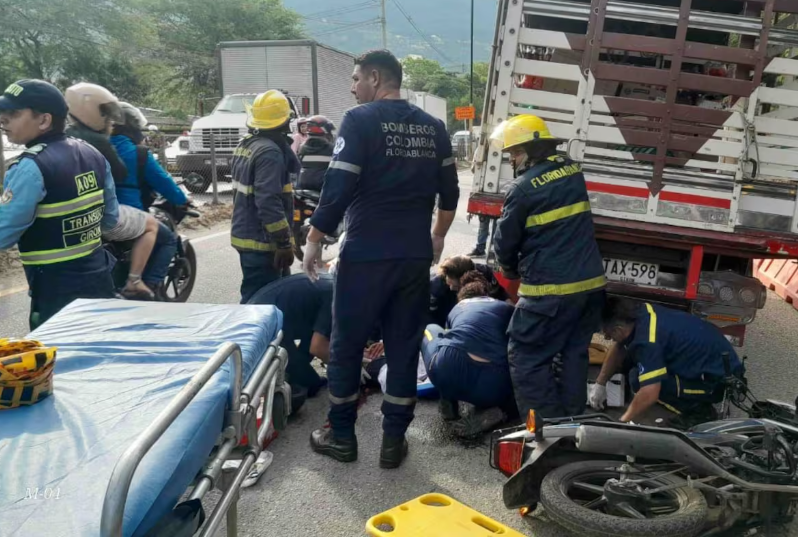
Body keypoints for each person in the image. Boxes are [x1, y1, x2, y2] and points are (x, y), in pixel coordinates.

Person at [302, 49, 459, 469]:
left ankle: (341, 436)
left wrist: (315, 238)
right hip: (413, 257)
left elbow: (337, 186)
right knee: (404, 346)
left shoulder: (360, 120)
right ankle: (392, 442)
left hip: (366, 255)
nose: (353, 87)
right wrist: (438, 237)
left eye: (356, 79)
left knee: (347, 344)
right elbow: (451, 193)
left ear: (375, 77)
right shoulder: (434, 127)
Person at [492, 114, 606, 420]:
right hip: (591, 288)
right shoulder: (572, 171)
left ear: (533, 149)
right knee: (572, 353)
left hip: (550, 291)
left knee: (526, 356)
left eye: (515, 152)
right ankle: (572, 422)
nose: (513, 160)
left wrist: (508, 269)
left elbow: (504, 243)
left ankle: (543, 433)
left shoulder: (522, 188)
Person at [0, 79, 119, 329]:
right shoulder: (92, 154)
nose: (4, 121)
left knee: (58, 364)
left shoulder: (30, 167)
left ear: (44, 120)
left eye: (13, 114)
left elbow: (3, 233)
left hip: (55, 293)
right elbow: (110, 218)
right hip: (99, 280)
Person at [64, 83, 161, 299]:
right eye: (105, 114)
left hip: (73, 217)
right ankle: (134, 281)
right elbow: (119, 173)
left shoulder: (66, 138)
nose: (110, 121)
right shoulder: (98, 142)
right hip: (102, 216)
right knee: (151, 225)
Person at [591, 297, 745, 424]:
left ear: (618, 329)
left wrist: (624, 422)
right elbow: (619, 346)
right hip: (706, 359)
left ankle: (700, 411)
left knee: (639, 380)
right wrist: (600, 383)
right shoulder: (642, 312)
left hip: (718, 381)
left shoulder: (647, 341)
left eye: (608, 334)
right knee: (634, 365)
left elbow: (650, 392)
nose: (607, 338)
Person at [422, 271, 517, 437]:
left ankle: (448, 403)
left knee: (431, 330)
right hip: (493, 384)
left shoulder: (457, 309)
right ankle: (501, 409)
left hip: (450, 371)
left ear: (462, 298)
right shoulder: (506, 308)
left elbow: (446, 339)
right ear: (486, 294)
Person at [110, 102, 187, 296]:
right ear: (132, 127)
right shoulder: (137, 153)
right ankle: (148, 286)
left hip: (96, 214)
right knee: (168, 239)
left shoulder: (97, 147)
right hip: (128, 215)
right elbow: (163, 181)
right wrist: (181, 199)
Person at [230, 90, 299, 303]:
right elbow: (268, 201)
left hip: (248, 238)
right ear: (284, 121)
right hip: (263, 244)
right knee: (259, 306)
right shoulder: (270, 153)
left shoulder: (247, 144)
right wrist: (284, 243)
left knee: (274, 301)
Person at [247, 273, 334, 397]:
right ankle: (293, 378)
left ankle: (294, 371)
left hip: (269, 310)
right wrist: (347, 368)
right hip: (262, 322)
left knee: (321, 332)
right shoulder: (334, 297)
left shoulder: (335, 284)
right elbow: (318, 348)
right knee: (310, 383)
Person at [429, 254, 509, 326]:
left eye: (456, 286)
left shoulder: (485, 274)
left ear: (467, 278)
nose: (451, 288)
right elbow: (430, 322)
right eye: (449, 284)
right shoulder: (435, 289)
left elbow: (503, 297)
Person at [296, 115, 335, 193]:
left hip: (303, 183)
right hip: (323, 186)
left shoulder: (302, 148)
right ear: (324, 130)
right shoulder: (332, 149)